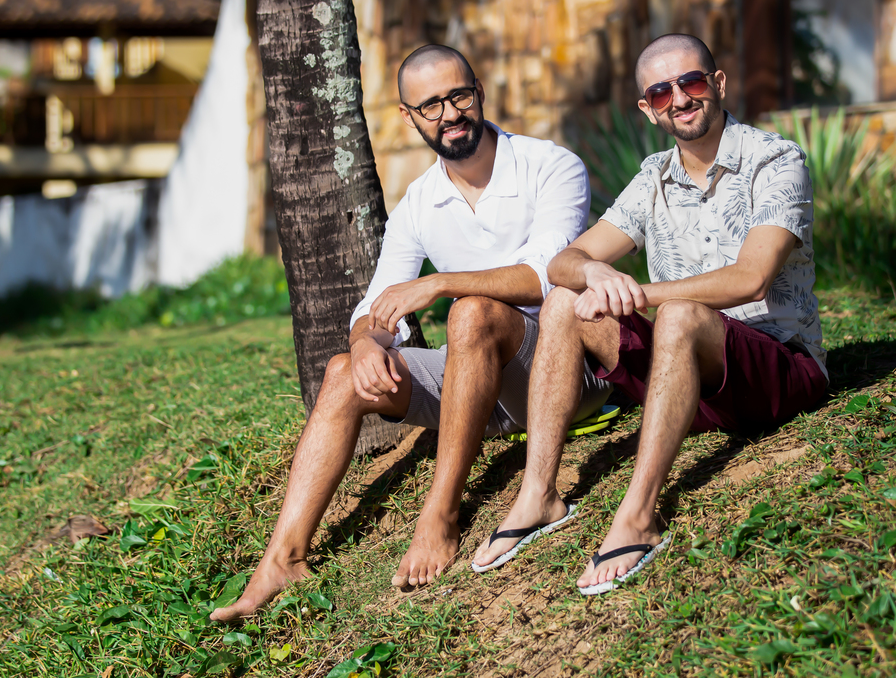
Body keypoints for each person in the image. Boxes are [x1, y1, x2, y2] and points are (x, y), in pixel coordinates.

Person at [211, 44, 611, 621]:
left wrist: (440, 283)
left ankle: (439, 515)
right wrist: (363, 343)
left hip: (564, 373)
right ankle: (283, 558)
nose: (449, 114)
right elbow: (380, 304)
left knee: (471, 312)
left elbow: (546, 275)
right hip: (479, 383)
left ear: (479, 91)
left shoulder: (549, 165)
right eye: (430, 106)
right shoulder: (420, 203)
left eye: (458, 96)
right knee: (343, 371)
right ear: (408, 116)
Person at [470, 33, 828, 595]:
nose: (679, 99)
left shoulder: (775, 160)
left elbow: (751, 278)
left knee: (680, 314)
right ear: (648, 108)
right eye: (661, 92)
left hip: (778, 371)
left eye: (691, 82)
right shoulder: (653, 177)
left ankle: (638, 516)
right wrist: (597, 274)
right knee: (566, 299)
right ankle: (538, 495)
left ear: (717, 84)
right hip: (688, 379)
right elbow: (564, 262)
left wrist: (635, 292)